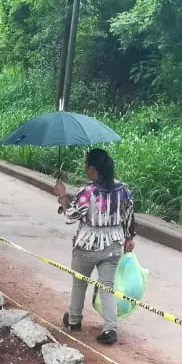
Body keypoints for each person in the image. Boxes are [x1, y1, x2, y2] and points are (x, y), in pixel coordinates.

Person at [52, 148, 136, 346]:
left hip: (87, 244)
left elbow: (71, 215)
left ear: (92, 169)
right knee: (107, 287)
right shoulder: (123, 189)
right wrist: (129, 237)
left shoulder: (88, 191)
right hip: (114, 243)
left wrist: (62, 195)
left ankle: (74, 320)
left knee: (79, 283)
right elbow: (129, 214)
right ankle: (110, 328)